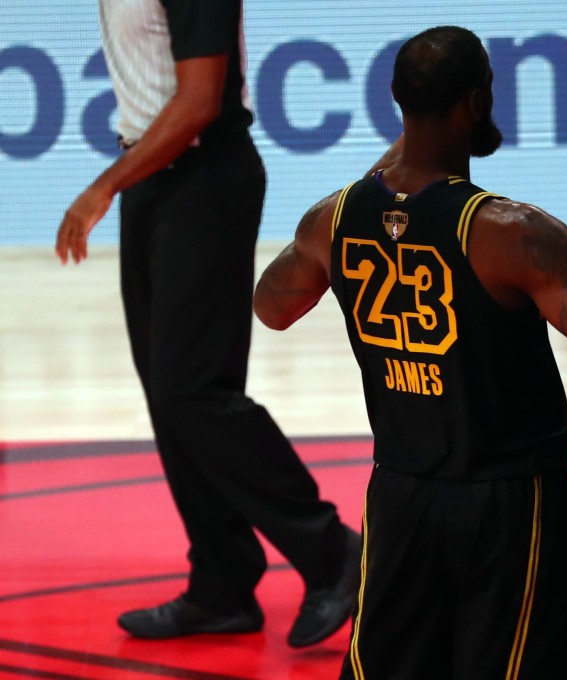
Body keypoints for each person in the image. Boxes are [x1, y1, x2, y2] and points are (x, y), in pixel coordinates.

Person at [253, 25, 567, 679]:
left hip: (401, 499)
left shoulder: (333, 219)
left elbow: (272, 308)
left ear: (396, 103)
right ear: (476, 102)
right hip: (508, 506)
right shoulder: (513, 235)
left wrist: (372, 196)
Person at [54, 0, 360, 648]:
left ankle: (334, 552)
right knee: (169, 396)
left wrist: (101, 188)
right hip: (152, 180)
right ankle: (222, 583)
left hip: (202, 181)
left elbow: (198, 102)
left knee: (192, 389)